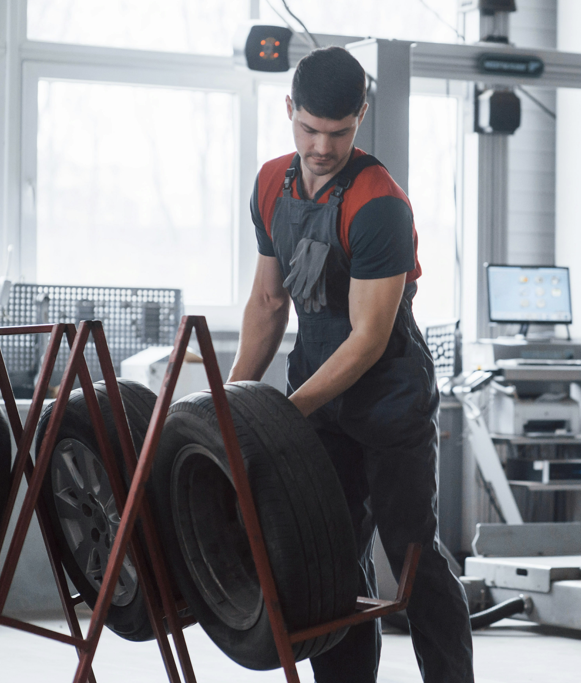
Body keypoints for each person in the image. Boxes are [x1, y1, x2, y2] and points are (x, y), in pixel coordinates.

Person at [228, 46, 474, 683]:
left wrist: (283, 413)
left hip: (387, 394)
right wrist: (229, 405)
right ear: (290, 111)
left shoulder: (378, 202)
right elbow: (265, 301)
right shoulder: (268, 184)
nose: (321, 147)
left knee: (411, 554)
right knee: (328, 558)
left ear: (360, 117)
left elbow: (367, 339)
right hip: (317, 388)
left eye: (338, 132)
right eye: (309, 128)